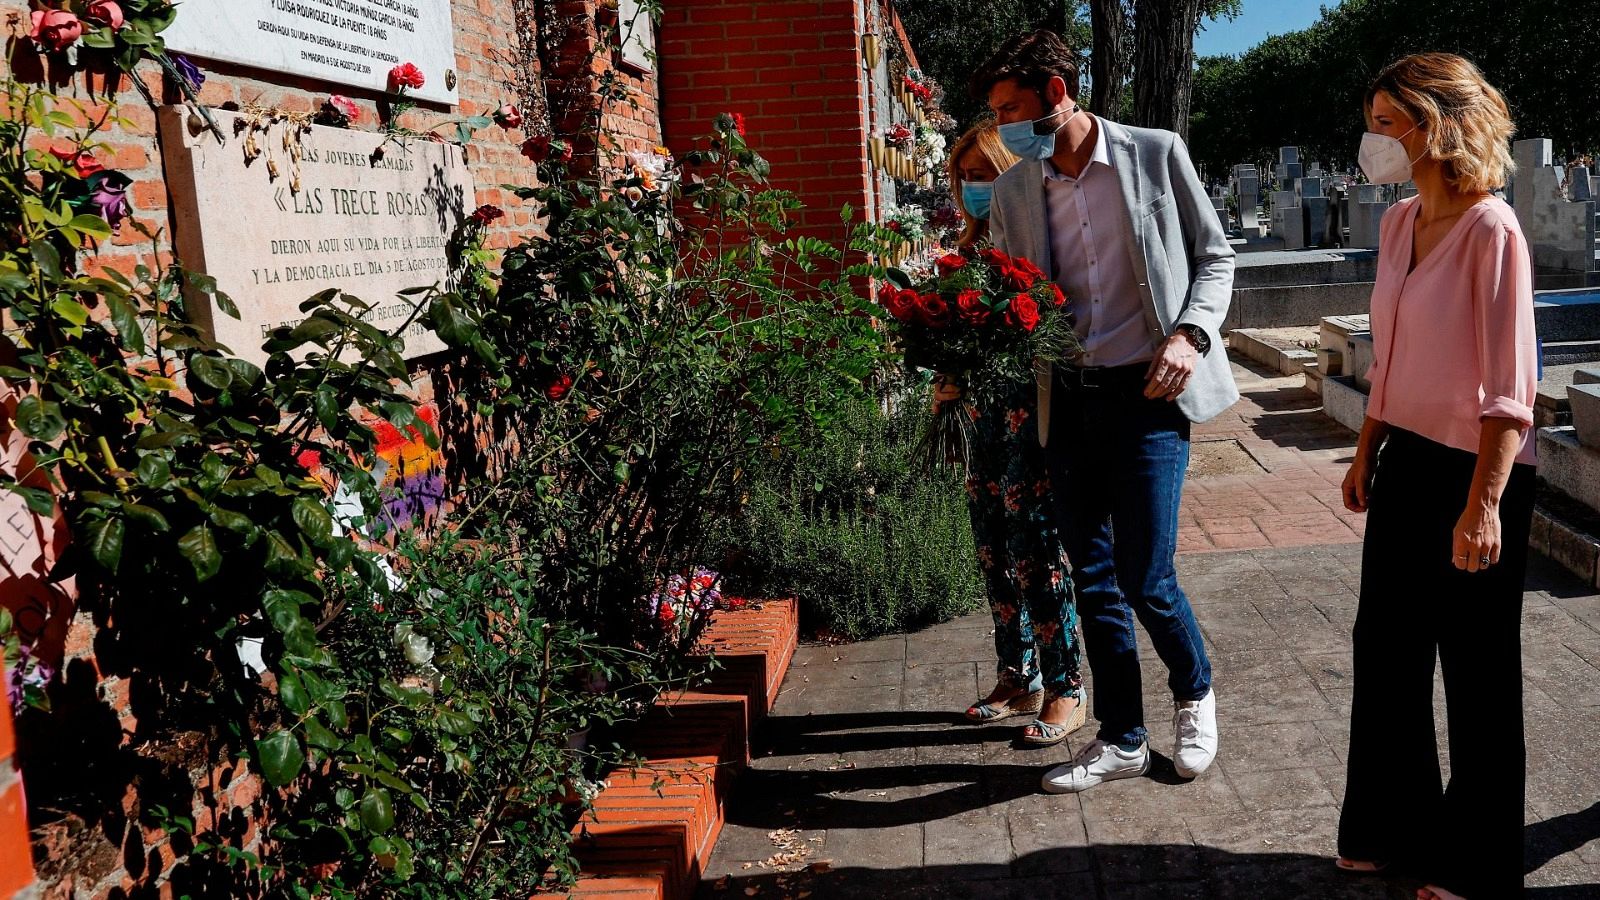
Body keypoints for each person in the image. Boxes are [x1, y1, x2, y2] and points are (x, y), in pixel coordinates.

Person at [971, 30, 1239, 794]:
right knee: (1091, 577)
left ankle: (1194, 695)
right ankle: (1121, 736)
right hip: (1069, 399)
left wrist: (1191, 333)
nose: (1003, 127)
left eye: (1011, 108)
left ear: (1057, 93)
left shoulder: (1155, 153)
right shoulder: (1019, 187)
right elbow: (1008, 290)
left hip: (1151, 391)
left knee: (1145, 574)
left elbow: (1215, 255)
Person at [1335, 53, 1536, 900]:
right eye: (1374, 121)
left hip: (1475, 474)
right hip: (1406, 459)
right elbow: (1389, 354)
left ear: (1435, 123)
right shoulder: (1397, 221)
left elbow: (1508, 387)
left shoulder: (1494, 231)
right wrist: (1364, 447)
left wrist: (1483, 506)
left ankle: (1480, 863)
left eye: (1388, 122)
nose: (1374, 139)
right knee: (1385, 648)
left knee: (1477, 667)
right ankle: (1392, 828)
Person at [941, 122, 1085, 746]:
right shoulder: (963, 252)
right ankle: (1016, 675)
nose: (976, 188)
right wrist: (944, 373)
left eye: (986, 175)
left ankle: (1065, 687)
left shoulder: (1033, 249)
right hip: (982, 422)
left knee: (1037, 553)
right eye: (967, 177)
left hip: (1034, 419)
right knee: (994, 550)